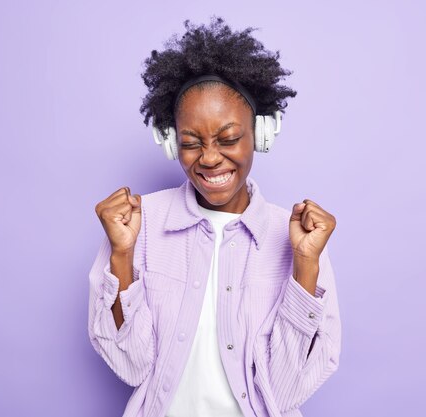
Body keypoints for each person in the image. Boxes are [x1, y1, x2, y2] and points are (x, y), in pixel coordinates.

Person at [88, 16, 341, 417]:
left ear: (260, 134)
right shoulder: (138, 226)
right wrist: (122, 256)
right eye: (191, 143)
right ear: (172, 142)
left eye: (228, 139)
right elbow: (131, 366)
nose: (208, 158)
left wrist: (305, 267)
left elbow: (285, 391)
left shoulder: (298, 240)